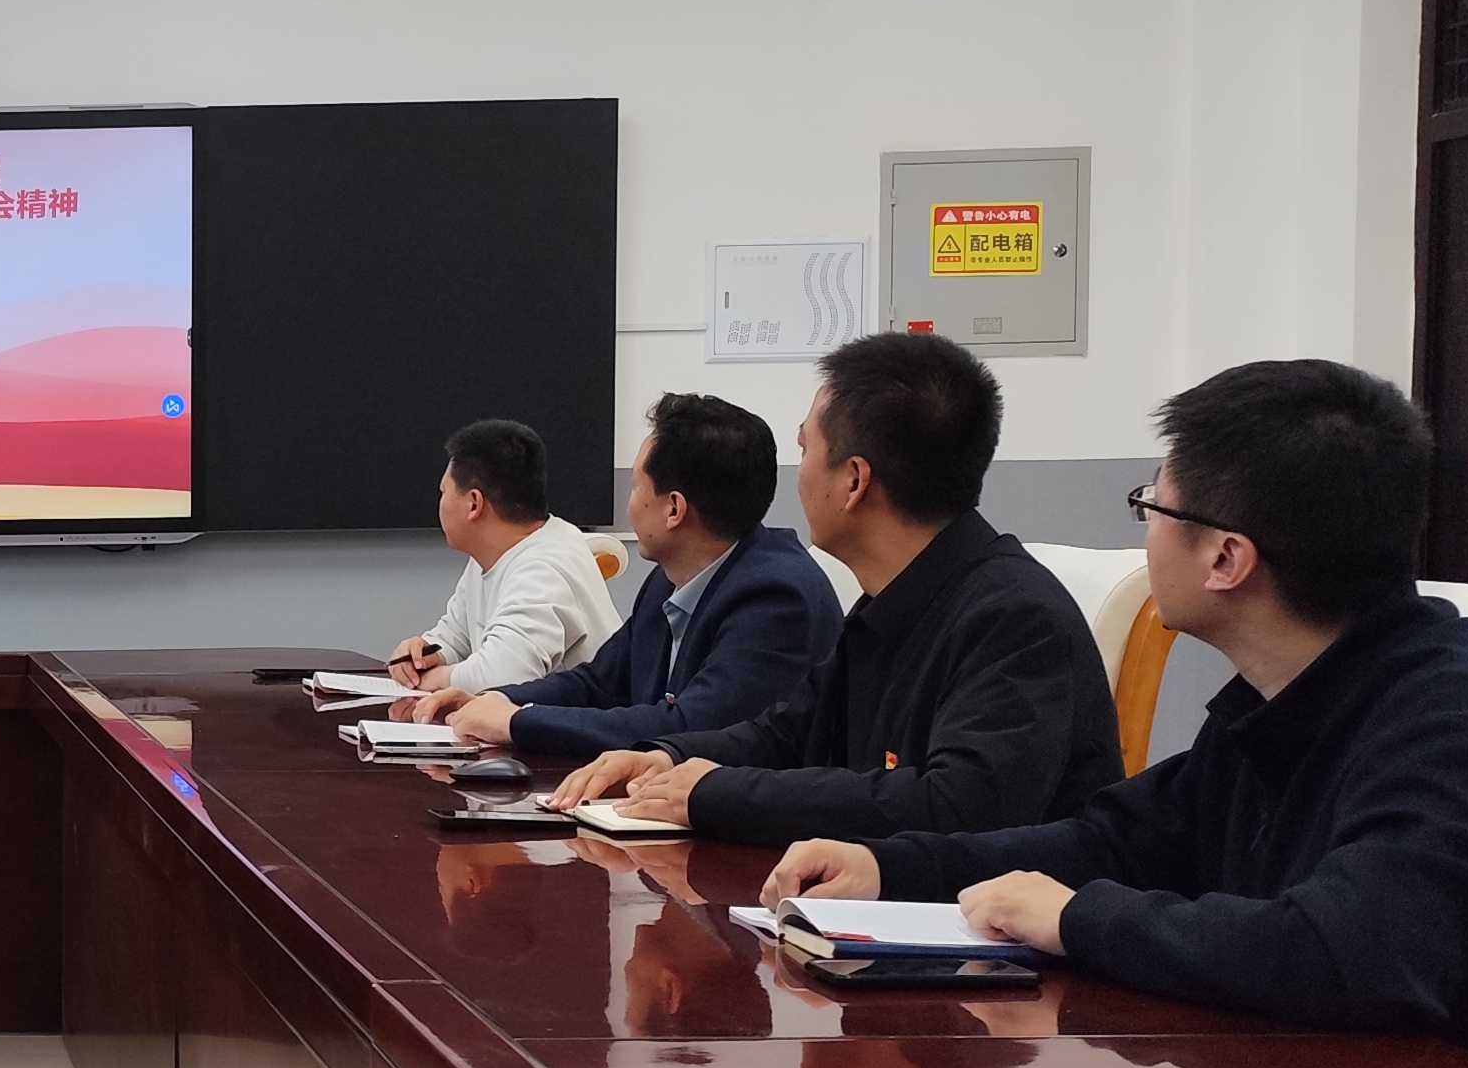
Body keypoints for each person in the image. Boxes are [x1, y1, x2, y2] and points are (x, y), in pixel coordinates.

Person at [762, 359, 1468, 1068]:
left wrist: (1078, 918)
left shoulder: (1463, 723)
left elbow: (1346, 955)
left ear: (1226, 557)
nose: (1145, 534)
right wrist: (890, 867)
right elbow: (1115, 839)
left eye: (1154, 506)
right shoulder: (1294, 693)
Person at [549, 334, 1118, 843]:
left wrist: (714, 793)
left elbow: (954, 805)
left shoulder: (1014, 617)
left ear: (853, 481)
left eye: (804, 450)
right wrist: (667, 758)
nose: (796, 476)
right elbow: (790, 733)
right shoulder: (892, 599)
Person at [435, 395, 835, 762]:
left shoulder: (775, 597)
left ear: (673, 509)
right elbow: (599, 684)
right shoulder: (668, 579)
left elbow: (690, 727)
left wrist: (517, 723)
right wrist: (496, 699)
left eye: (634, 487)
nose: (629, 504)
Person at [386, 419, 619, 693]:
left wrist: (436, 680)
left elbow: (507, 675)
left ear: (474, 504)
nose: (441, 502)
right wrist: (424, 653)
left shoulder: (544, 569)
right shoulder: (492, 554)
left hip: (581, 719)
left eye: (444, 491)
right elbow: (455, 637)